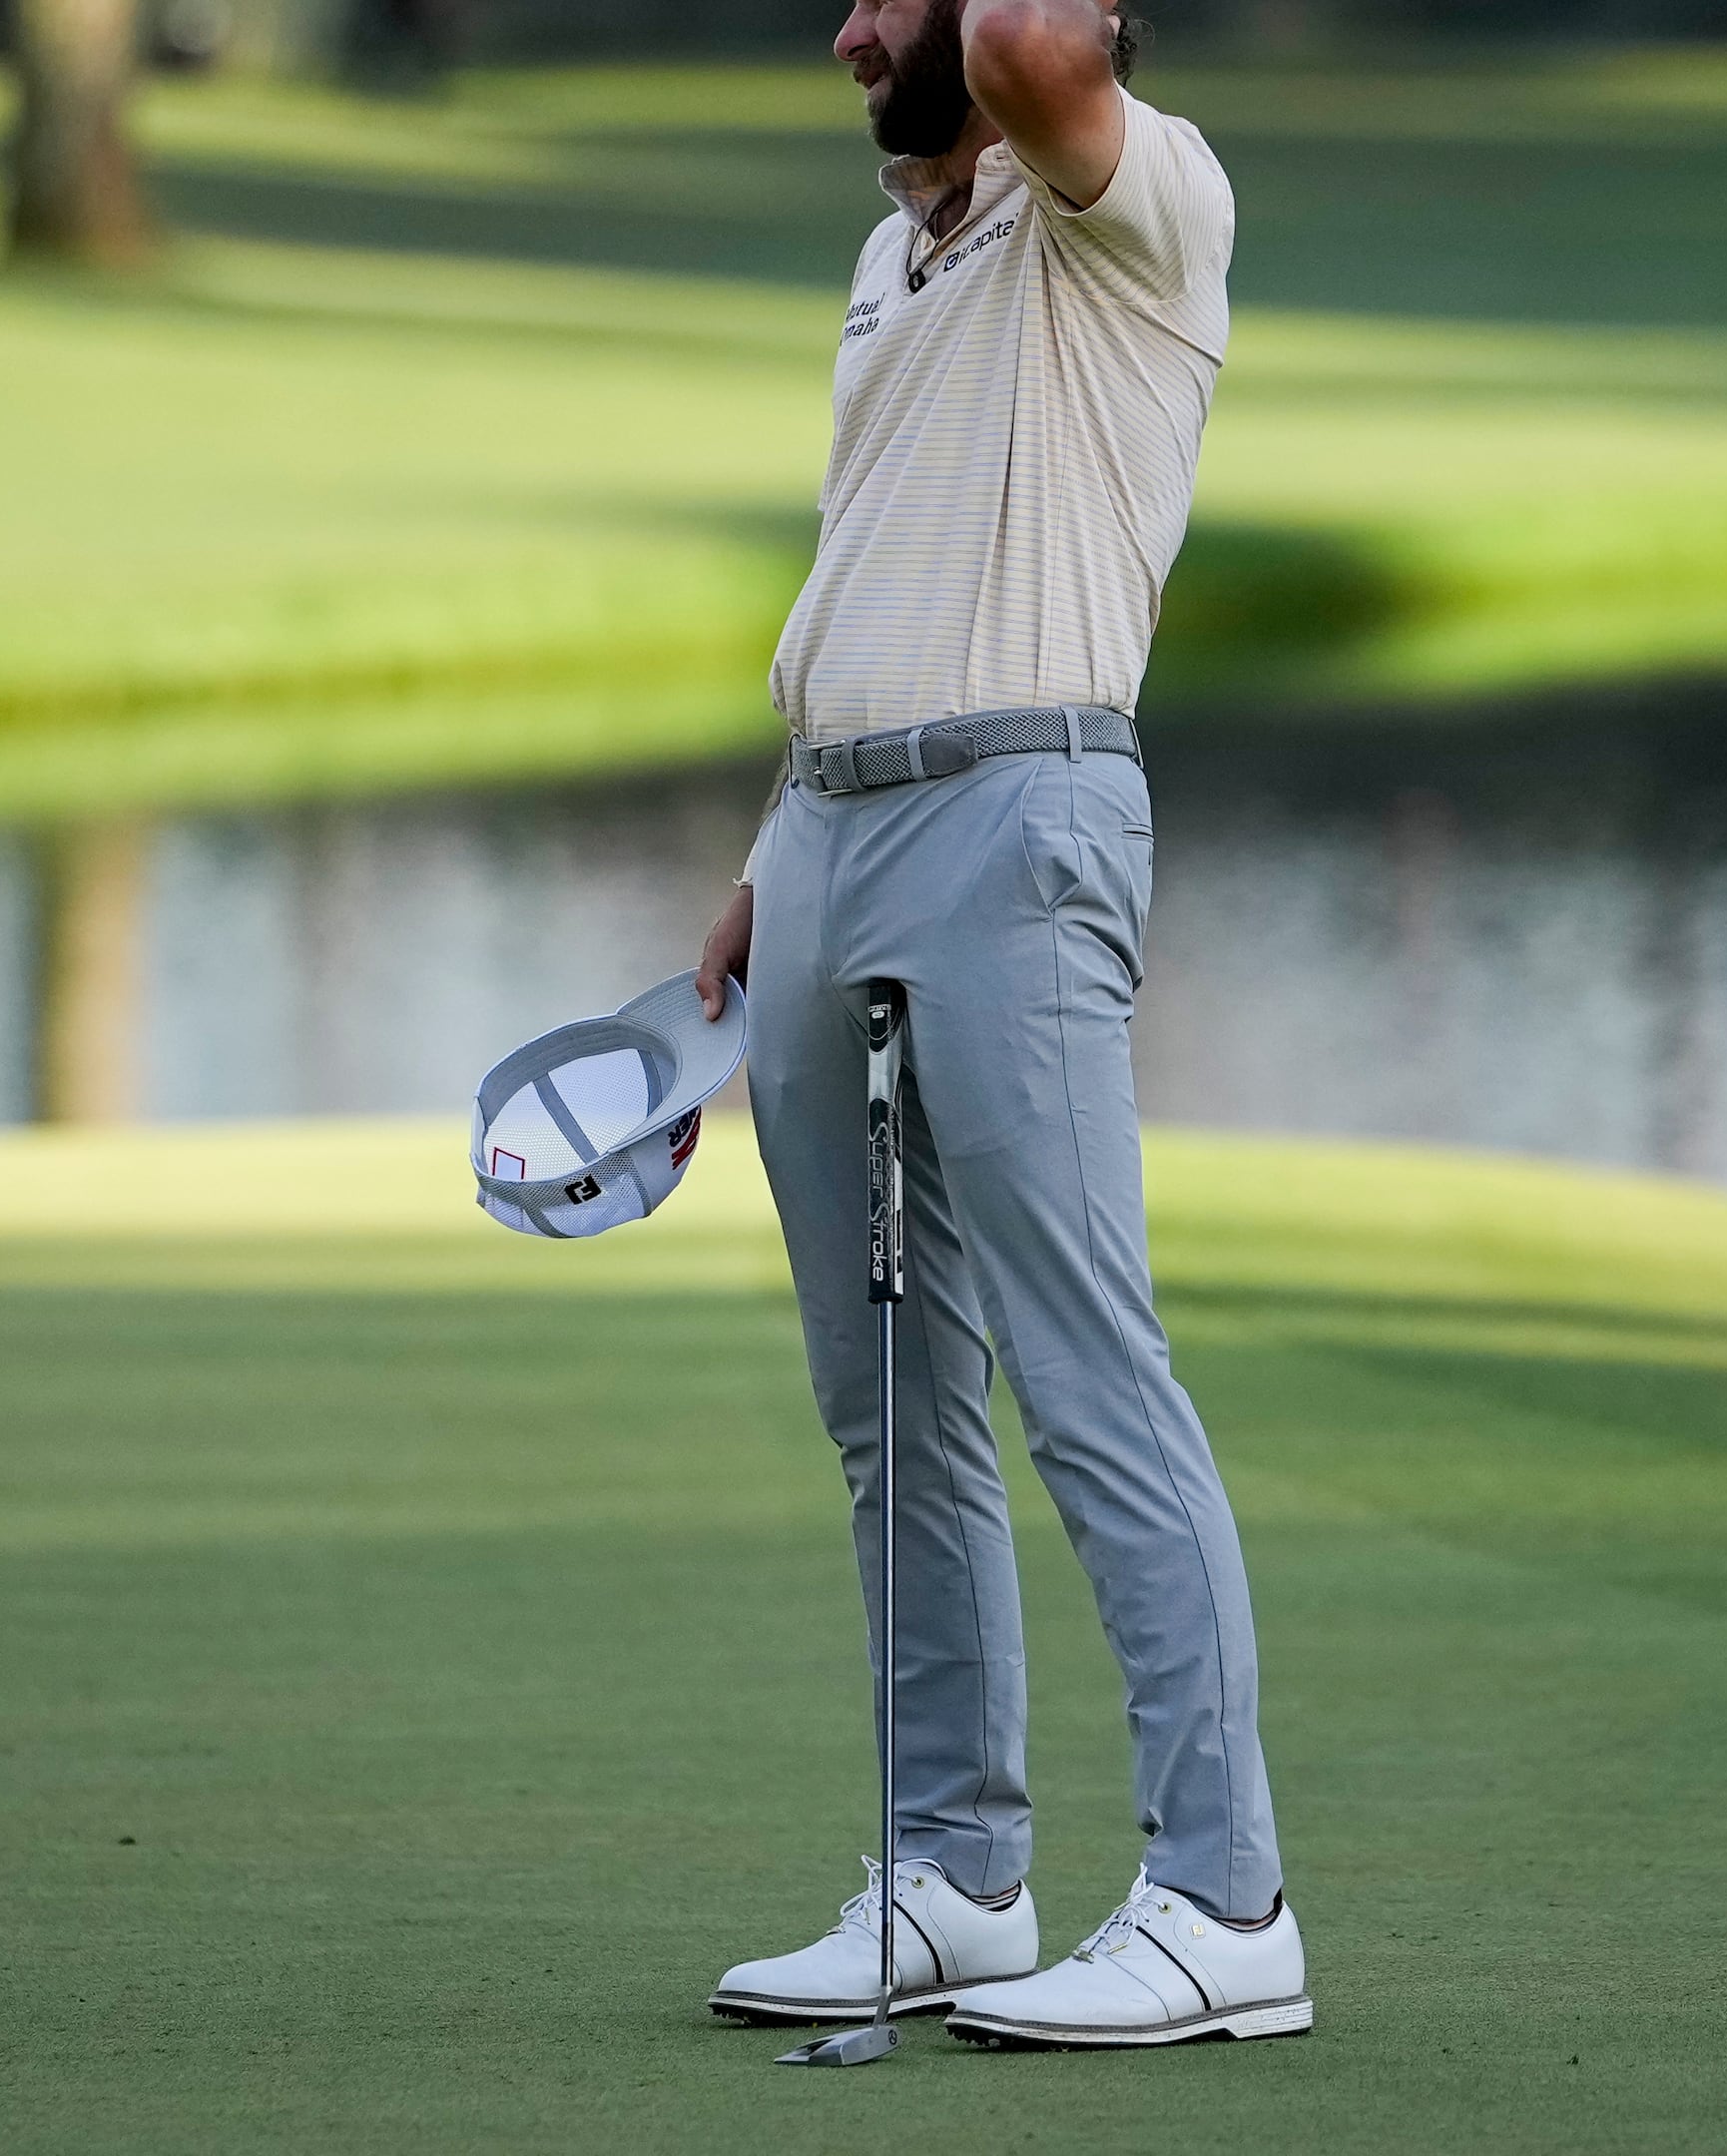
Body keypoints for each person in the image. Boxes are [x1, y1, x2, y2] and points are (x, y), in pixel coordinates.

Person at [686, 0, 1306, 2050]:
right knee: (893, 1407)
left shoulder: (1139, 201)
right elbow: (870, 570)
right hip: (836, 833)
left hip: (1023, 820)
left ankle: (1228, 1905)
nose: (852, 34)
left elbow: (1036, 46)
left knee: (1083, 1368)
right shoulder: (895, 255)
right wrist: (778, 855)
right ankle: (954, 1877)